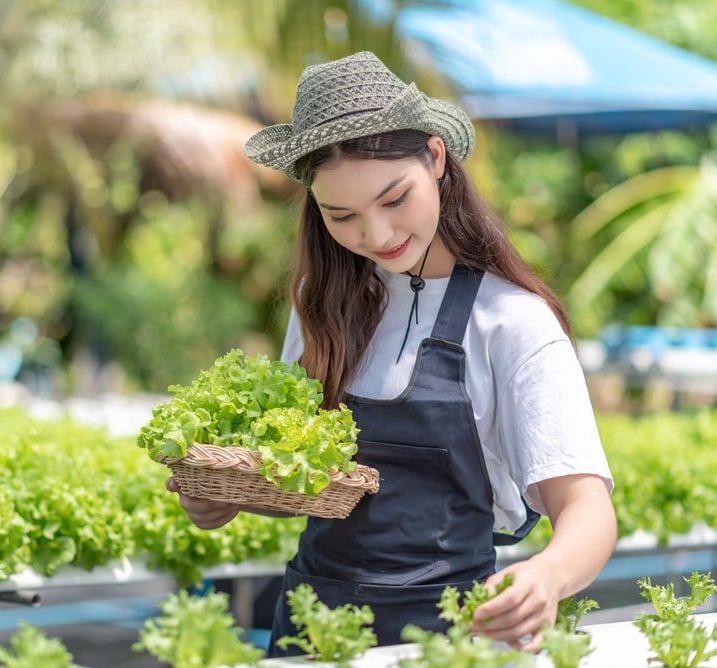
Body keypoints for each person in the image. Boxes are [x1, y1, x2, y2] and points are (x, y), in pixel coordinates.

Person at [164, 51, 616, 656]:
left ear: (435, 158)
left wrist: (548, 574)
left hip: (453, 634)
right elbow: (327, 488)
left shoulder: (511, 322)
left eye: (394, 199)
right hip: (313, 627)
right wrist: (230, 494)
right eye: (341, 215)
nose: (376, 236)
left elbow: (585, 504)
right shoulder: (318, 304)